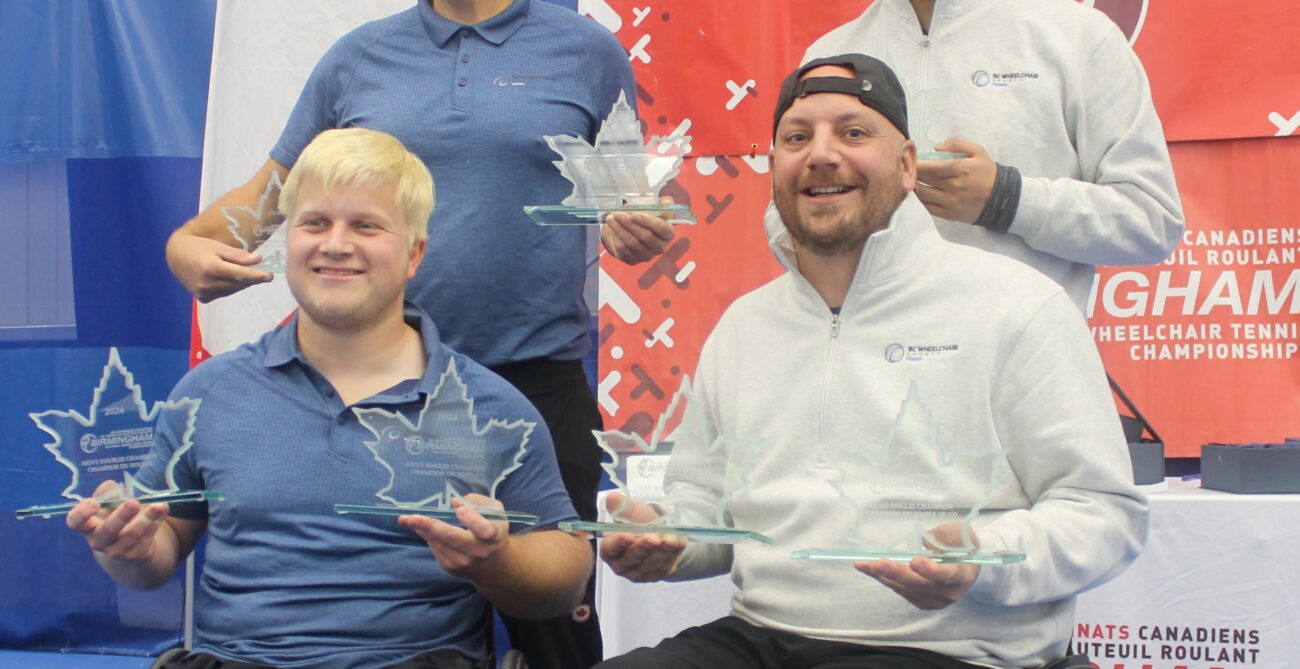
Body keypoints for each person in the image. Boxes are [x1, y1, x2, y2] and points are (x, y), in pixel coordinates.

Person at [597, 55, 1147, 669]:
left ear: (907, 164)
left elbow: (1105, 515)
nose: (822, 155)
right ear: (775, 165)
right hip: (759, 639)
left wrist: (984, 558)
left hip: (948, 649)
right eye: (797, 137)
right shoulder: (743, 327)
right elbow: (708, 507)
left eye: (854, 133)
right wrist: (666, 536)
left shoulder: (1017, 307)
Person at [165, 2, 673, 665]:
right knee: (376, 623)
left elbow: (628, 197)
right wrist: (187, 245)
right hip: (384, 390)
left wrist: (639, 226)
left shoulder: (588, 51)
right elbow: (273, 198)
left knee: (559, 629)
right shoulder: (358, 57)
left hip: (535, 388)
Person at [67, 128, 591, 669]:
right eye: (315, 223)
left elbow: (567, 580)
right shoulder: (207, 394)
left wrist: (498, 560)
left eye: (366, 225)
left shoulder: (491, 407)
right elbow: (156, 554)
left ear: (414, 254)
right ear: (288, 239)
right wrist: (125, 550)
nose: (335, 244)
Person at [766, 0, 1184, 313]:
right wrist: (845, 216)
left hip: (1023, 382)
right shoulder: (836, 53)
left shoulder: (1077, 36)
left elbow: (1151, 220)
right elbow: (780, 216)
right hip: (868, 382)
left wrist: (1007, 200)